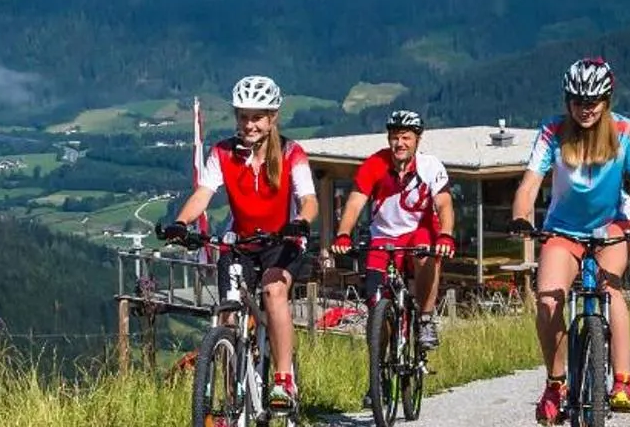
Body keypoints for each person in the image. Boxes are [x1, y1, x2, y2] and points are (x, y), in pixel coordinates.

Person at [508, 57, 630, 421]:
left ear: (606, 100)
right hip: (563, 229)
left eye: (593, 101)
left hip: (612, 225)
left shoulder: (626, 131)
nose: (585, 109)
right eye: (578, 101)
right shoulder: (552, 131)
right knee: (548, 301)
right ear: (568, 101)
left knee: (609, 288)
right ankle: (556, 383)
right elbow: (530, 184)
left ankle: (623, 381)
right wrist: (521, 217)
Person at [162, 74, 317, 409]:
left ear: (272, 117)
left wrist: (300, 222)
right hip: (241, 243)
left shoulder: (292, 153)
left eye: (257, 117)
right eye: (243, 116)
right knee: (228, 316)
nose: (249, 124)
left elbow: (309, 200)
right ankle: (233, 399)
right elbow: (203, 194)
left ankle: (283, 379)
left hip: (282, 241)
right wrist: (180, 222)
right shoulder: (223, 153)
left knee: (275, 291)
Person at [330, 109, 456, 351]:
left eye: (406, 137)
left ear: (417, 139)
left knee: (425, 254)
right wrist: (343, 234)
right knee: (375, 300)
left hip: (419, 232)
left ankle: (426, 319)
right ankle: (379, 366)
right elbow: (355, 201)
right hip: (384, 236)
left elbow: (444, 203)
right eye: (395, 137)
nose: (400, 143)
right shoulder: (375, 164)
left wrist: (446, 235)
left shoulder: (430, 166)